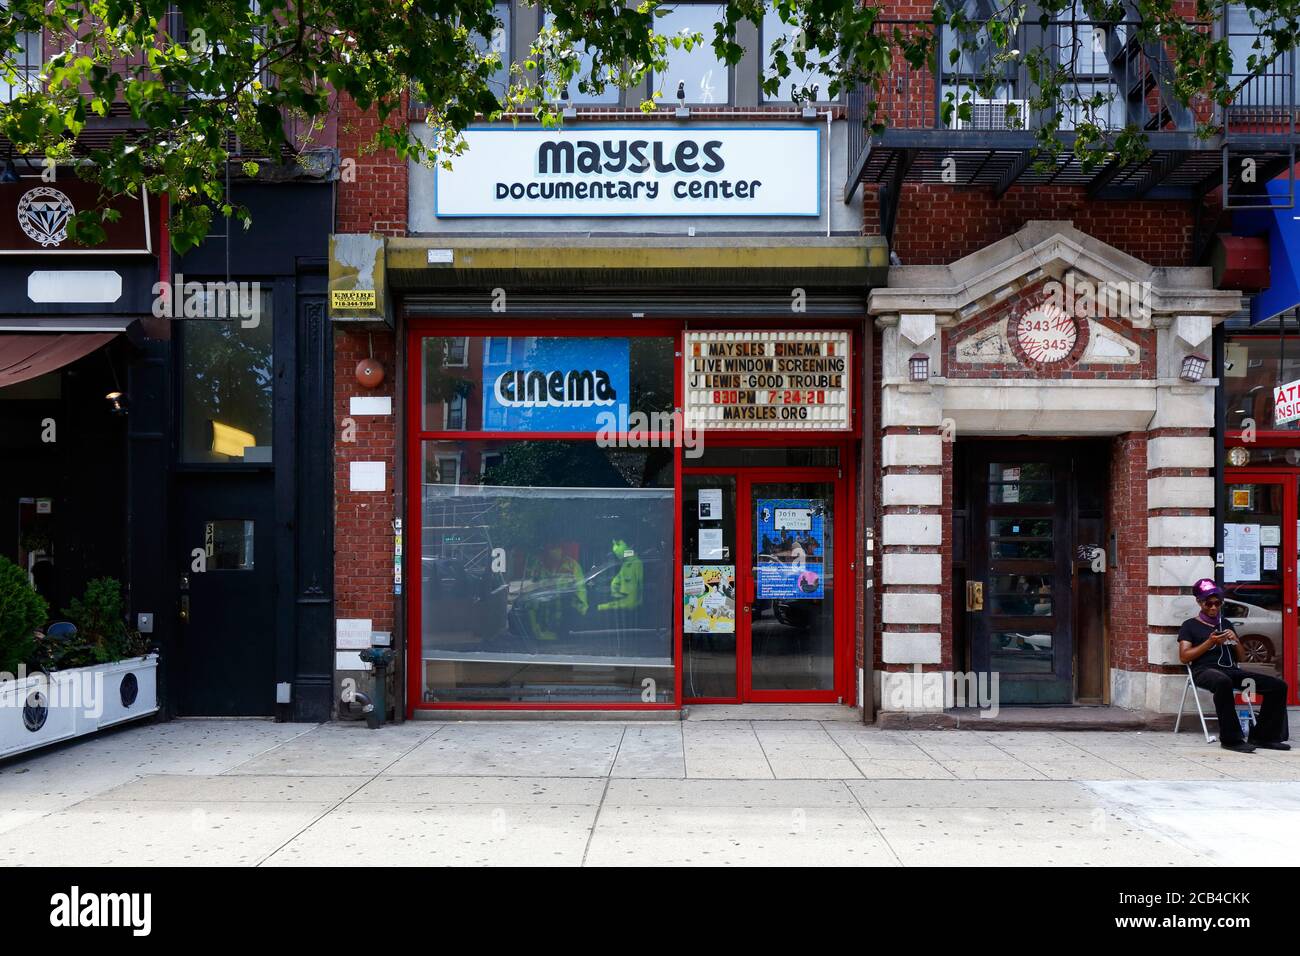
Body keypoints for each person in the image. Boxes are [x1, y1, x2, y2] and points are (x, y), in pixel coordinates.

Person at [1177, 578, 1290, 753]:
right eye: (1208, 604)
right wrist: (1209, 642)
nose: (1213, 608)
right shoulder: (1189, 625)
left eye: (1217, 603)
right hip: (1204, 671)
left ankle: (1264, 736)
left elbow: (1242, 657)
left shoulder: (1226, 623)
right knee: (1223, 682)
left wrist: (1235, 640)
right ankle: (1231, 739)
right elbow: (1184, 657)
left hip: (1231, 670)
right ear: (1199, 603)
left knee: (1278, 686)